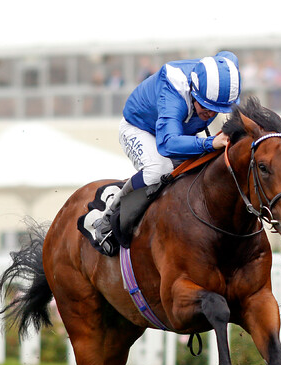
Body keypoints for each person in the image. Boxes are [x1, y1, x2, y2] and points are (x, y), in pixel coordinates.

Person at [93, 51, 242, 249]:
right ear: (193, 90)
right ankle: (106, 220)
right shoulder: (175, 88)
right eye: (206, 106)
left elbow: (228, 56)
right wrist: (209, 143)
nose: (210, 114)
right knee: (158, 169)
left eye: (216, 110)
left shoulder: (223, 75)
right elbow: (168, 144)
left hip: (178, 128)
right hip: (140, 128)